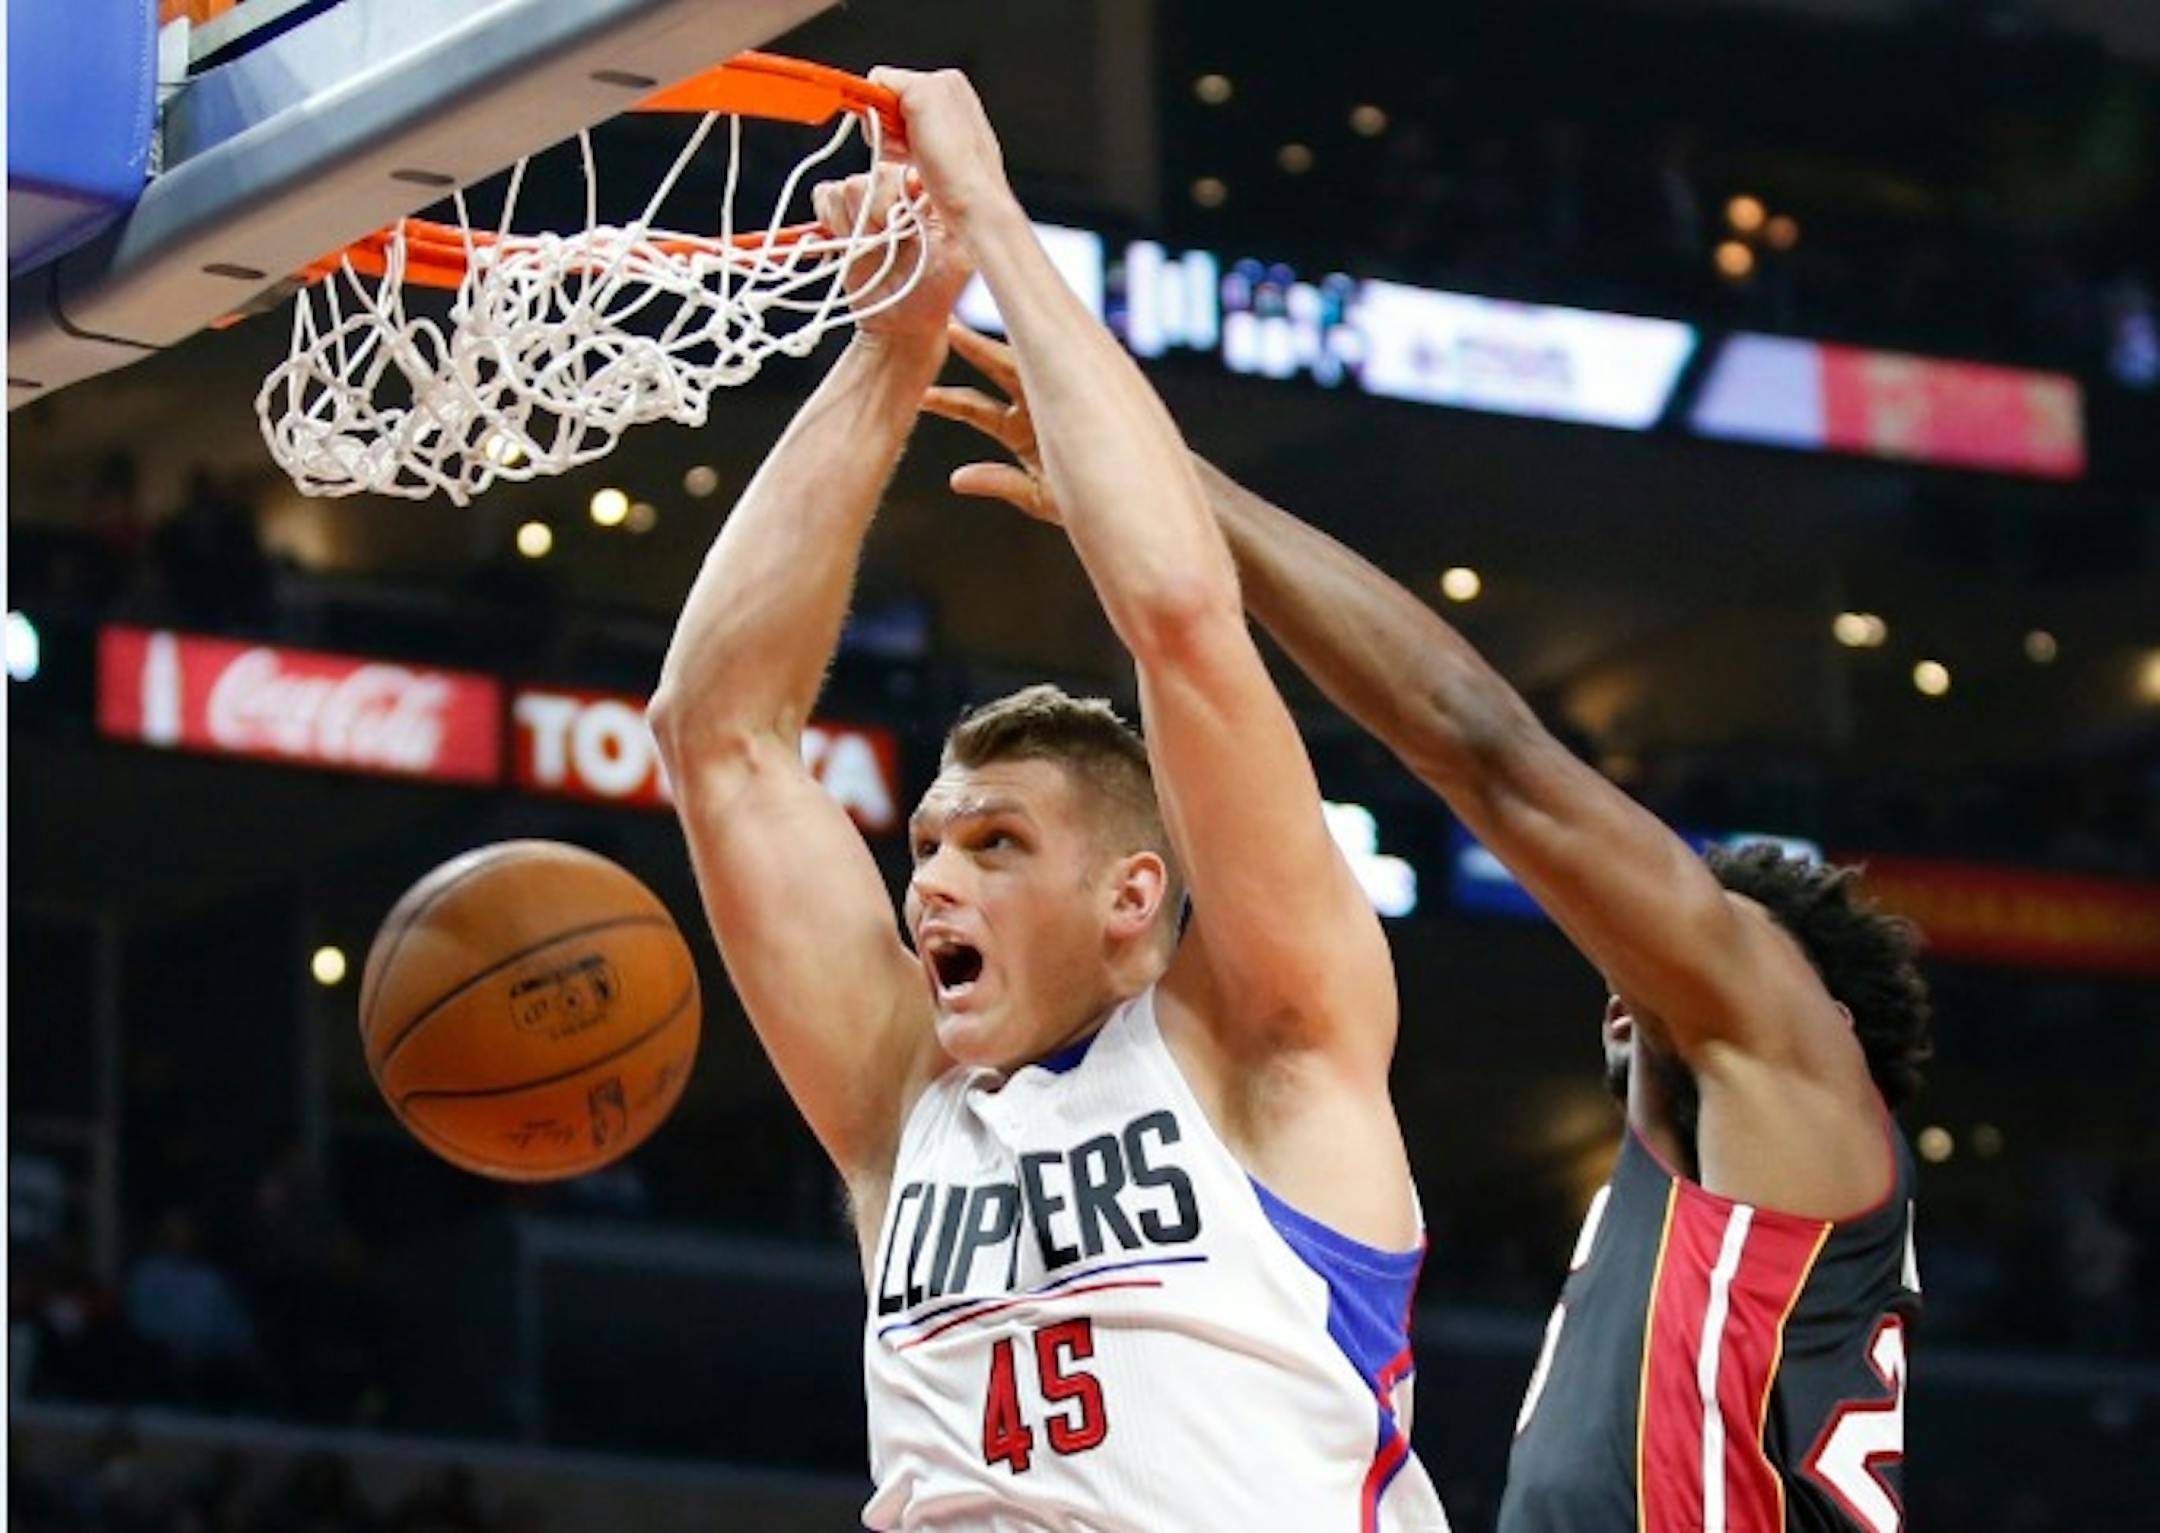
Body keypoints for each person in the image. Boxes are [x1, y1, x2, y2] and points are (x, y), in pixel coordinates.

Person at [929, 318, 1934, 1533]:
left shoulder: (1792, 1070)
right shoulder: (1698, 1218)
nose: (1623, 979)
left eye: (1667, 958)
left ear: (1815, 1015)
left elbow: (1483, 747)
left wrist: (1168, 486)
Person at [648, 69, 1449, 1530]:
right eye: (931, 843)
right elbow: (720, 736)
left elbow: (1186, 620)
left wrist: (995, 225)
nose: (933, 881)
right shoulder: (910, 1101)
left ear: (1133, 893)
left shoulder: (1267, 1047)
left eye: (998, 843)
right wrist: (892, 346)